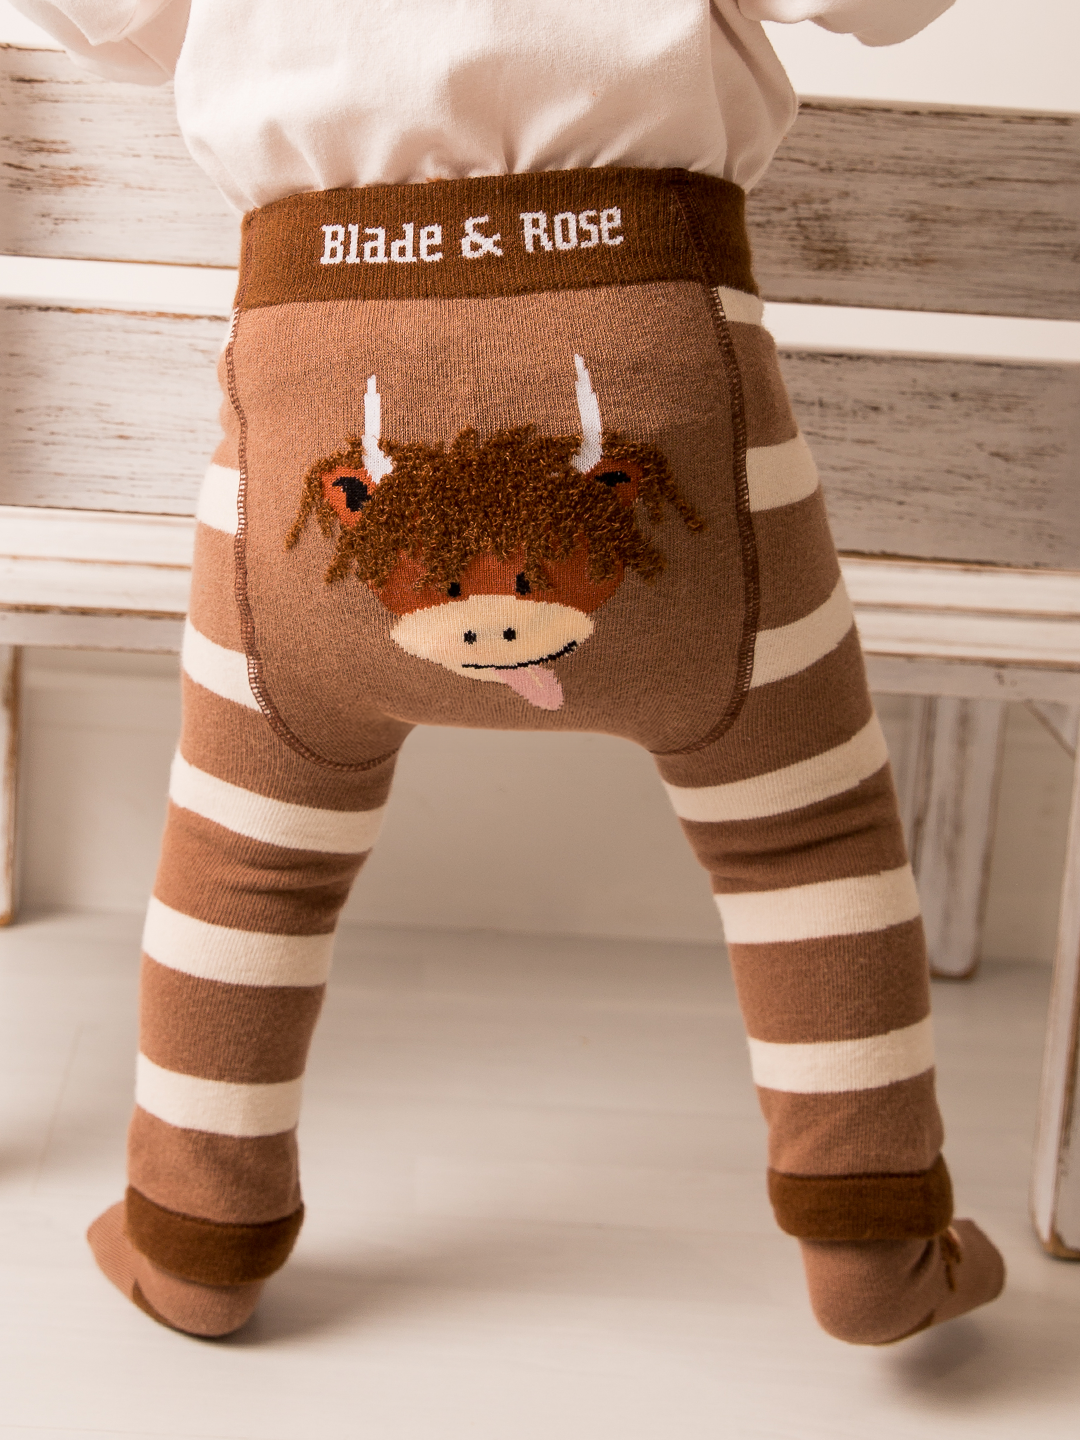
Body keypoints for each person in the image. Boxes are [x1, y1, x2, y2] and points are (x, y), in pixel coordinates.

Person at [12, 0, 1005, 1342]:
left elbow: (116, 28)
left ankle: (192, 1240)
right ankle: (875, 1244)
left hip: (311, 390)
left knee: (246, 855)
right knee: (804, 836)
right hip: (667, 371)